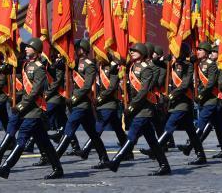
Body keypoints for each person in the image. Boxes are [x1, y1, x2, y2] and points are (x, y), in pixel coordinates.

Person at [0, 38, 64, 179]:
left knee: (22, 137)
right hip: (29, 110)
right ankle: (58, 169)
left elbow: (35, 91)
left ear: (36, 50)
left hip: (34, 109)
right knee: (45, 143)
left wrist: (20, 105)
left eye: (29, 47)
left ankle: (6, 167)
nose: (25, 49)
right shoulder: (26, 65)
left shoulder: (39, 68)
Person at [107, 43, 170, 176]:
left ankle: (116, 161)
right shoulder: (132, 66)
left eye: (135, 50)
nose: (132, 52)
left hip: (144, 108)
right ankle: (164, 165)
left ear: (142, 52)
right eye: (131, 50)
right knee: (152, 140)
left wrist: (131, 106)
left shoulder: (146, 68)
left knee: (131, 136)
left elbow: (143, 91)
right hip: (138, 108)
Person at [145, 43, 207, 165]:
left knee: (170, 125)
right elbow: (156, 64)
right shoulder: (171, 63)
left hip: (183, 102)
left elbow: (184, 84)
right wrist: (160, 59)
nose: (175, 53)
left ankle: (155, 149)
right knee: (191, 131)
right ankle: (201, 155)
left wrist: (171, 95)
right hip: (175, 103)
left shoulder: (188, 65)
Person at [51, 39, 110, 167]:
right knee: (93, 134)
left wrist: (74, 98)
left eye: (76, 48)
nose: (74, 50)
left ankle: (54, 158)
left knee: (69, 129)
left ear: (82, 49)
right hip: (79, 104)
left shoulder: (89, 64)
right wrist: (60, 65)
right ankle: (104, 158)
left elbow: (87, 85)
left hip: (82, 103)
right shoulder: (74, 62)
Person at [77, 53, 130, 166]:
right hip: (103, 104)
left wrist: (99, 98)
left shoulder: (113, 67)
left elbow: (112, 87)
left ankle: (86, 150)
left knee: (97, 129)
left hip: (109, 103)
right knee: (118, 129)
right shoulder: (99, 66)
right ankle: (128, 152)